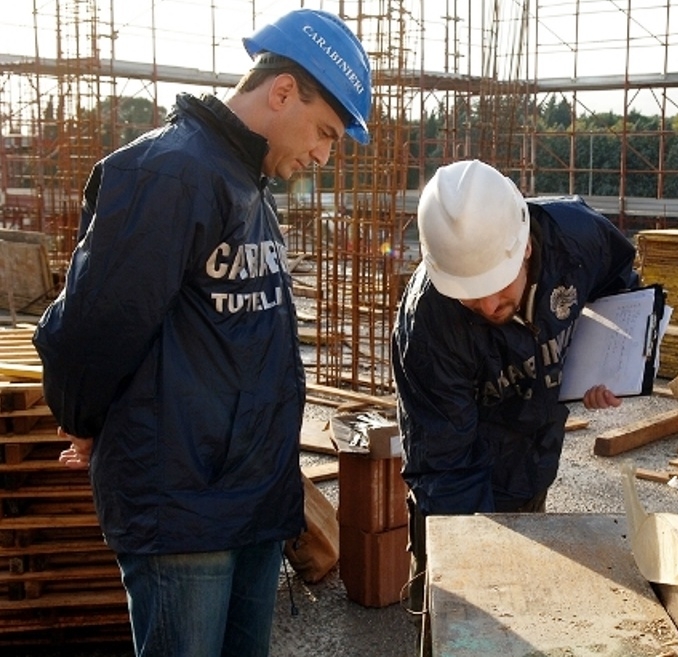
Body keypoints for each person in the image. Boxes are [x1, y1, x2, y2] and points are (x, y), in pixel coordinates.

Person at [32, 9, 371, 657]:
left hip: (248, 503)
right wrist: (83, 421)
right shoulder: (167, 173)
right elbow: (90, 330)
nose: (324, 155)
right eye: (325, 131)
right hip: (183, 511)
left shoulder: (245, 186)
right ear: (280, 92)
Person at [392, 159, 639, 650]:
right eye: (470, 295)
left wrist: (603, 363)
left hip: (533, 456)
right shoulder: (429, 326)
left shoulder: (577, 237)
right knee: (459, 629)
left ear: (525, 246)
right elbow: (447, 468)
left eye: (497, 287)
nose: (486, 307)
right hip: (458, 488)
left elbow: (618, 278)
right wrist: (477, 581)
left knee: (526, 617)